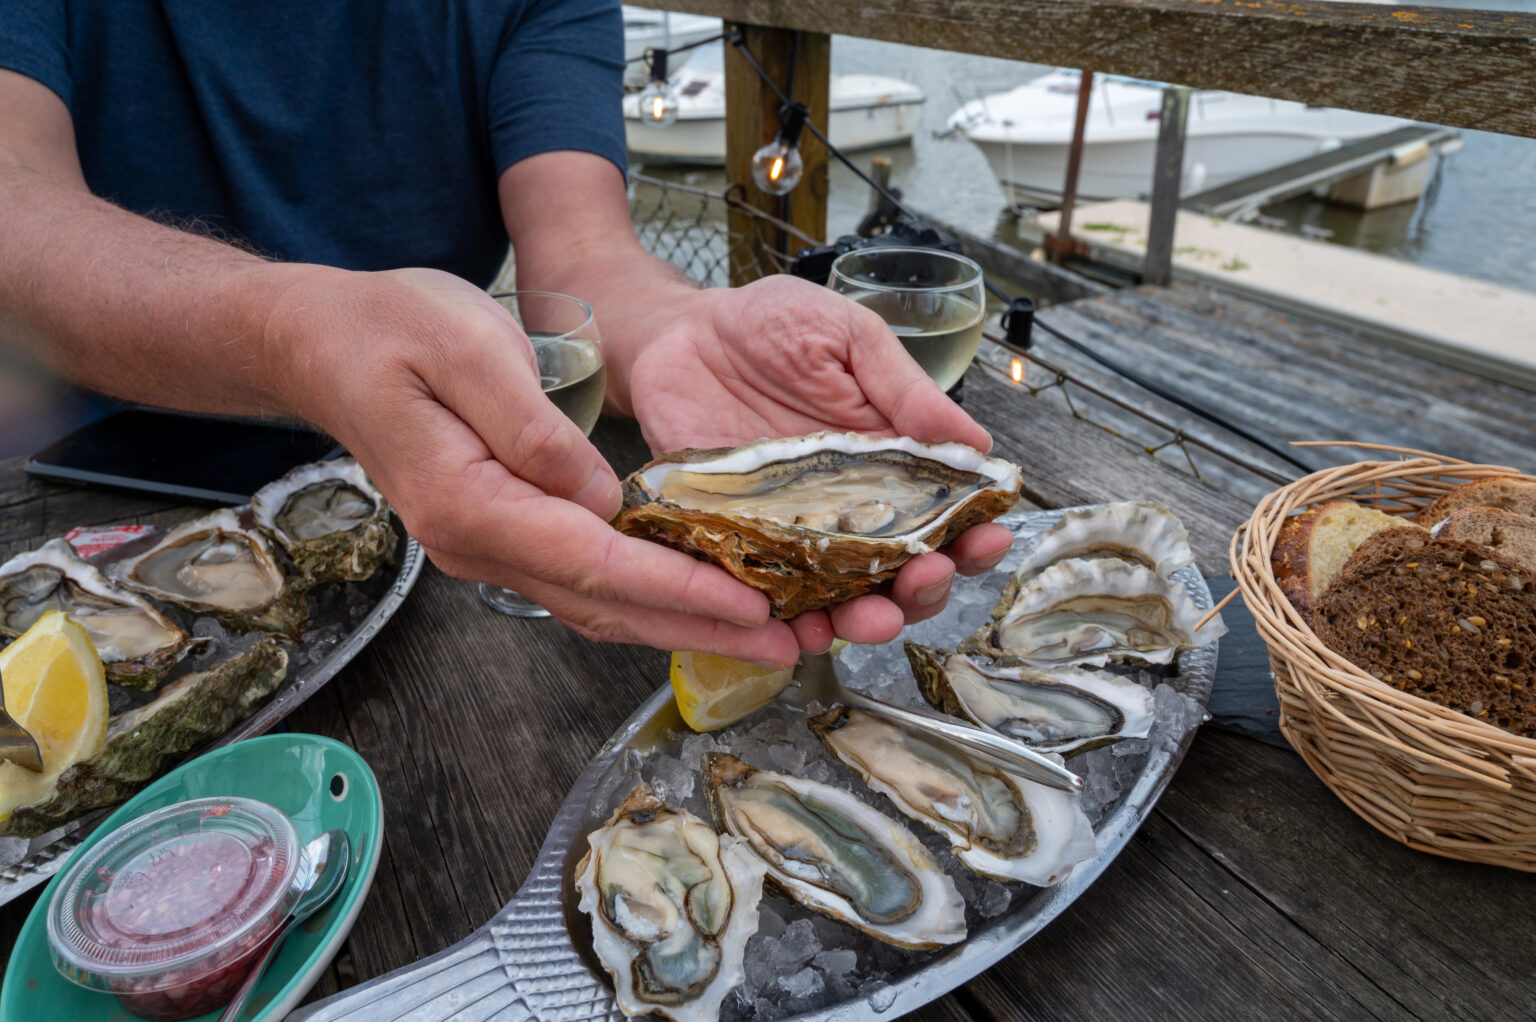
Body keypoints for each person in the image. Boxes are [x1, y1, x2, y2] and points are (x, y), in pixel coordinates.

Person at [0, 1, 1012, 669]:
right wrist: (300, 337)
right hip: (86, 488)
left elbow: (582, 250)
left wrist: (674, 324)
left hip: (449, 507)